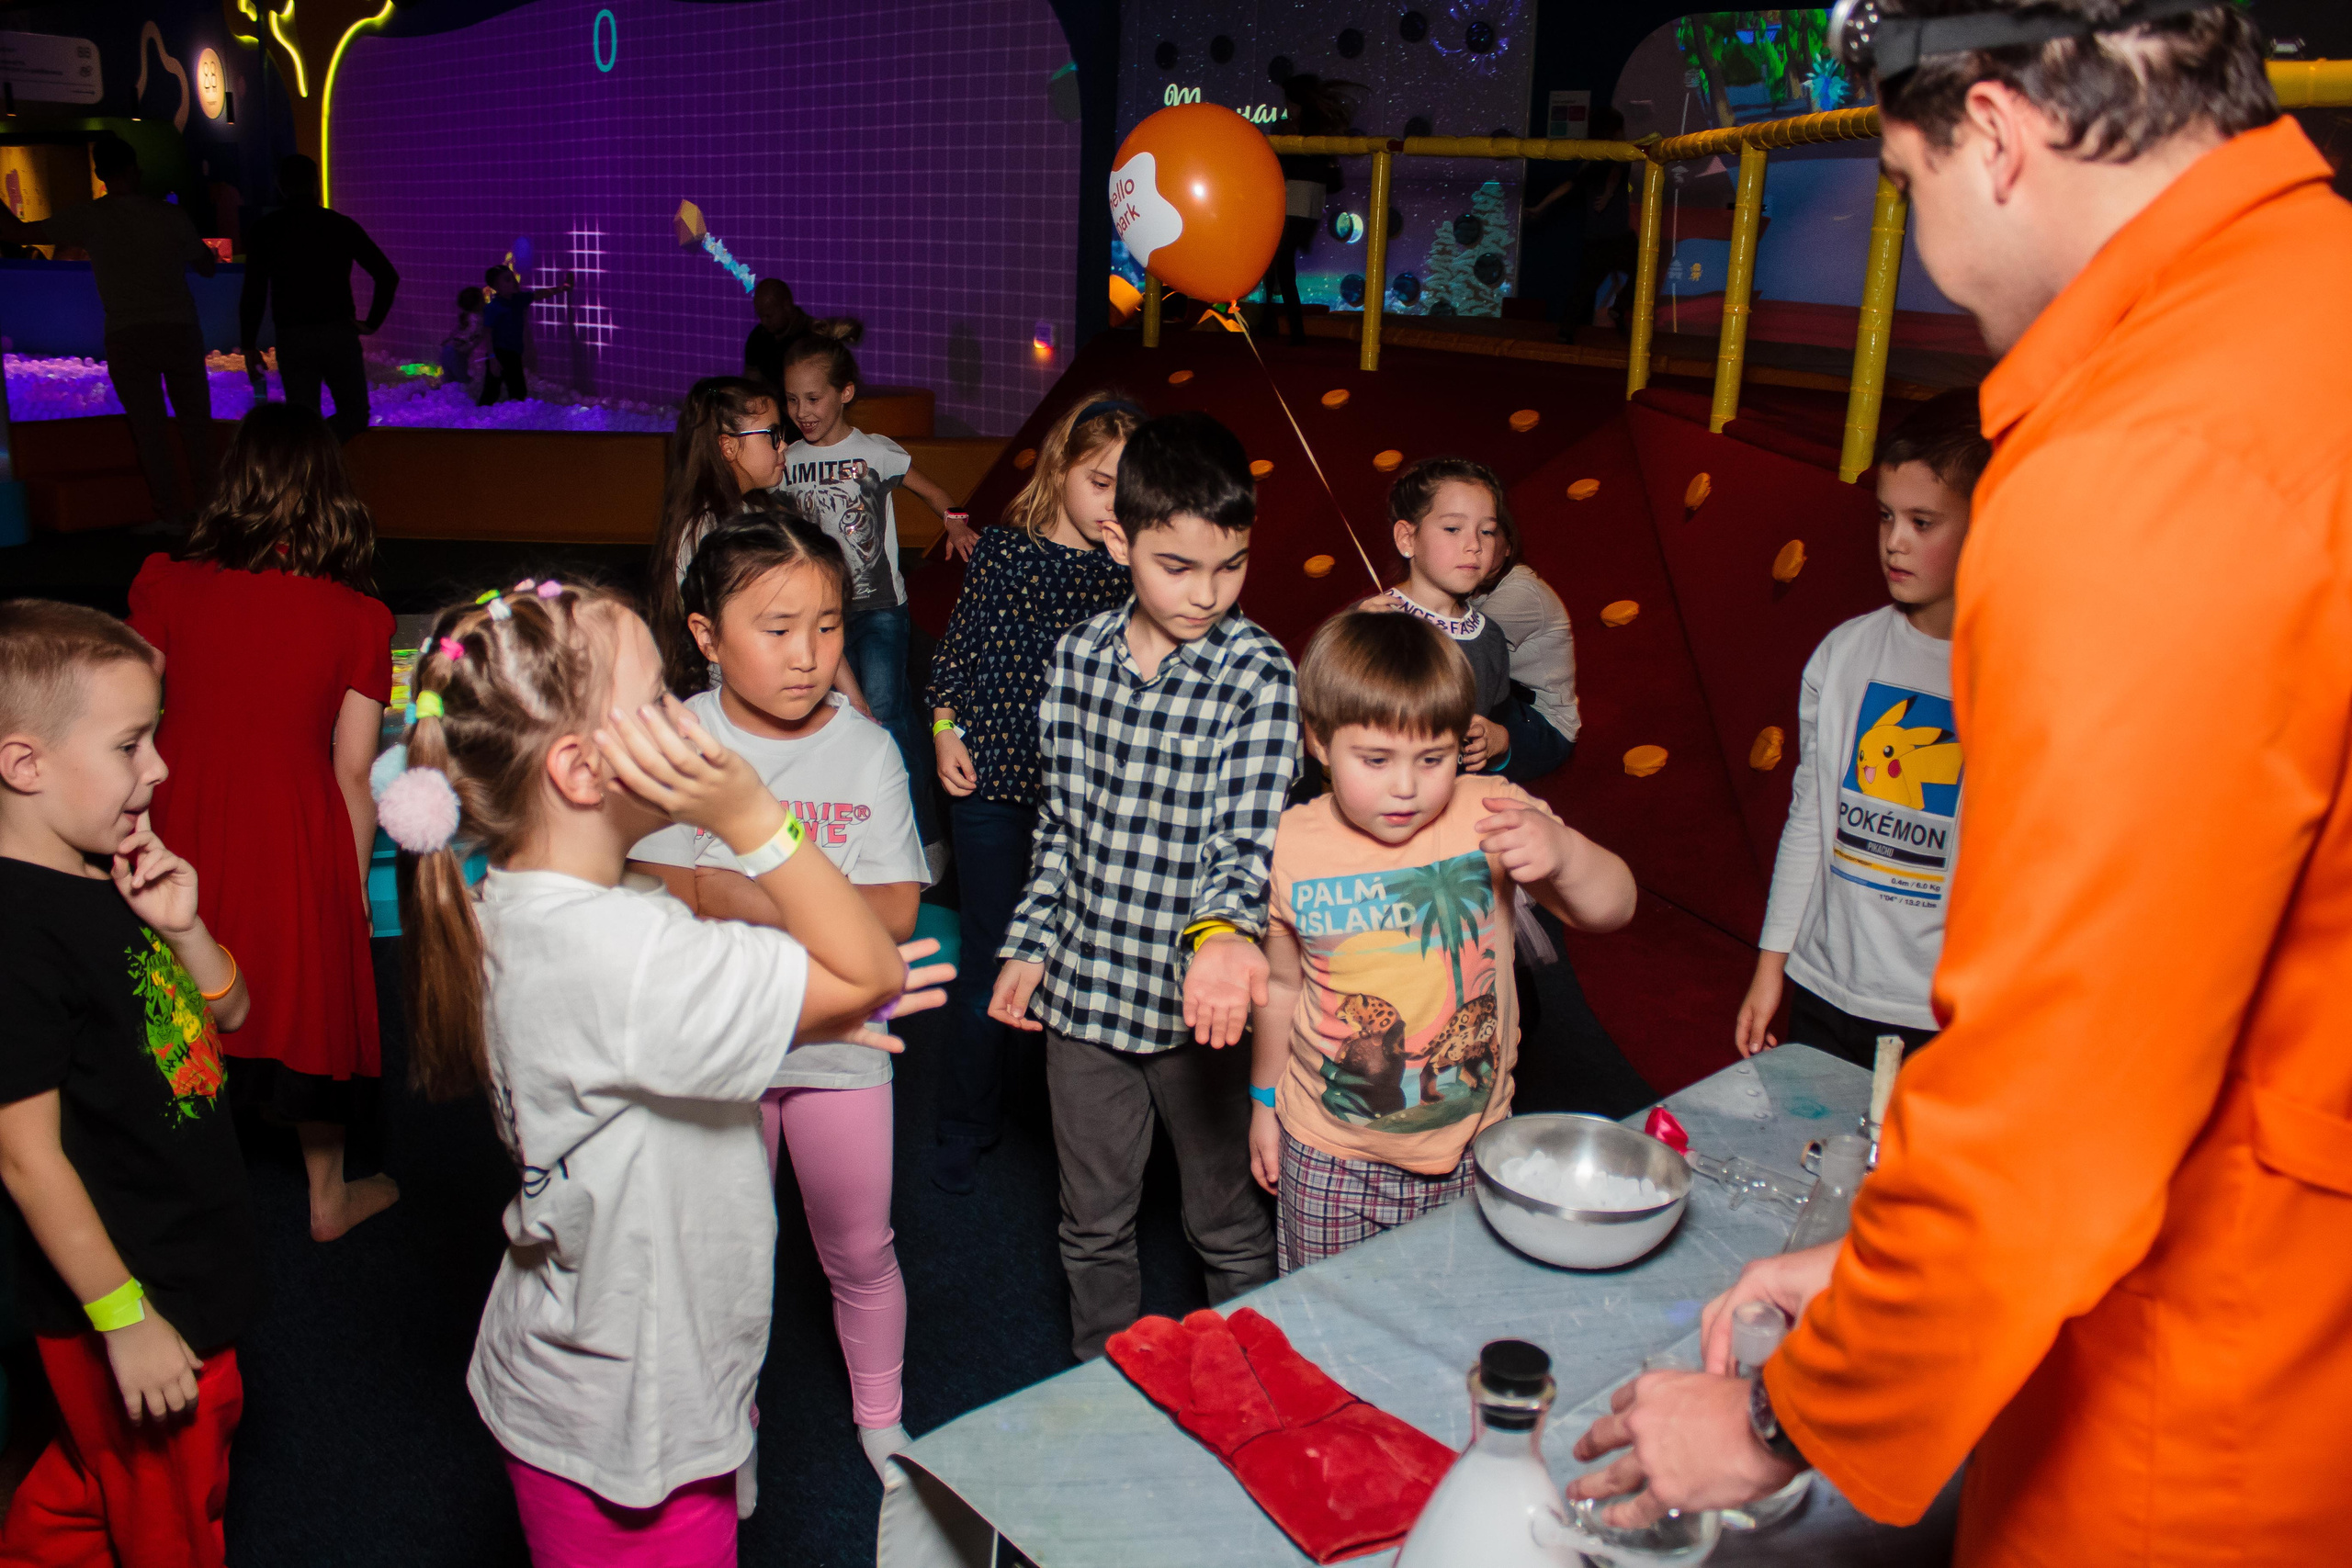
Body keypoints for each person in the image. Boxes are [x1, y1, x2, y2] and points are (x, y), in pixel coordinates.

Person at [1566, 4, 2352, 1558]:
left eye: (1902, 187)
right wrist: (1880, 1263)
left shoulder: (2142, 456)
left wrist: (1791, 1411)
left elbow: (2060, 1090)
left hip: (2207, 1395)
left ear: (1995, 135)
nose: (1918, 250)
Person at [391, 580, 944, 1559]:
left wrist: (773, 1024)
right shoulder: (627, 954)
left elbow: (627, 1054)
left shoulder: (547, 904)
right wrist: (750, 813)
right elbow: (864, 962)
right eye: (656, 704)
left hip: (581, 1370)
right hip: (635, 1420)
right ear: (578, 770)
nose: (690, 728)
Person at [988, 411, 1297, 1360]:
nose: (1208, 594)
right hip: (1085, 1001)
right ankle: (1105, 1400)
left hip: (1195, 1012)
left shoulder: (1259, 675)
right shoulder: (1075, 658)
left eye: (1232, 565)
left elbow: (1243, 846)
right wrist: (1030, 943)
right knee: (1092, 1228)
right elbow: (1060, 829)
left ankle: (1251, 1400)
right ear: (1117, 539)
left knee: (1229, 1229)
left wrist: (1219, 943)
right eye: (1178, 567)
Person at [626, 518, 927, 1485]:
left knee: (861, 1246)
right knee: (723, 1260)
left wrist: (728, 889)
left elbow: (891, 913)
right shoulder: (681, 739)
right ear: (707, 637)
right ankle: (729, 1432)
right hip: (717, 1048)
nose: (809, 658)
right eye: (777, 627)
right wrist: (807, 900)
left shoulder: (866, 750)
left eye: (830, 626)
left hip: (845, 1045)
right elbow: (659, 894)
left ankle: (881, 1418)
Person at [1250, 611, 1634, 1271]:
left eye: (1432, 758)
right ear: (1318, 739)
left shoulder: (1491, 809)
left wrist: (1564, 851)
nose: (1405, 786)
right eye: (1375, 759)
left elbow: (1614, 907)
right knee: (1323, 1335)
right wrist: (1262, 1104)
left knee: (1454, 1329)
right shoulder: (1288, 845)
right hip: (1327, 1152)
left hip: (1476, 1145)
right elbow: (1282, 988)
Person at [0, 600, 256, 1566]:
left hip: (187, 1246)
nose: (159, 769)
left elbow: (227, 1017)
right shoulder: (18, 937)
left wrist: (183, 926)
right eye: (130, 745)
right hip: (131, 1292)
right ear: (25, 766)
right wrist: (125, 1319)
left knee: (85, 1492)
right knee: (172, 1520)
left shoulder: (103, 874)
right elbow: (25, 1162)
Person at [124, 402, 400, 1242]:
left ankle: (176, 1189)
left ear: (234, 481)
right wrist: (349, 890)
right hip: (296, 826)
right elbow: (352, 770)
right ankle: (327, 1193)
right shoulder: (361, 618)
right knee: (307, 988)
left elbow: (129, 717)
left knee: (179, 975)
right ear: (331, 493)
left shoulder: (164, 583)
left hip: (181, 807)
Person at [922, 394, 1140, 1194]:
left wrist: (1130, 579)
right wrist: (945, 726)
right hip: (987, 787)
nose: (1114, 500)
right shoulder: (1005, 553)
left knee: (1070, 963)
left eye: (1129, 483)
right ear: (1060, 469)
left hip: (1080, 801)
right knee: (989, 951)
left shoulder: (1131, 579)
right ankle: (965, 1119)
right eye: (1099, 479)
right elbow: (955, 657)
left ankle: (1063, 1132)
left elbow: (1142, 675)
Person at [1735, 390, 1986, 1070]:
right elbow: (1811, 819)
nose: (1895, 540)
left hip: (1936, 1012)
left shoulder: (2013, 675)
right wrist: (1772, 963)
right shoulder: (1843, 655)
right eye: (1885, 516)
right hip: (1824, 986)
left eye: (1923, 521)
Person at [776, 329, 972, 860]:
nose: (801, 411)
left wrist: (955, 524)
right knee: (837, 713)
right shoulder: (787, 460)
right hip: (818, 612)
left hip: (881, 607)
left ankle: (921, 836)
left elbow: (935, 494)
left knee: (881, 711)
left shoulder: (875, 453)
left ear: (845, 393)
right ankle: (857, 828)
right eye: (791, 400)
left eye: (812, 399)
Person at [0, 136, 218, 531]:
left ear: (99, 176)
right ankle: (211, 511)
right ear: (136, 169)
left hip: (127, 333)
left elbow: (16, 233)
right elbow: (206, 266)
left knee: (149, 429)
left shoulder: (90, 217)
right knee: (196, 426)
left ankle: (169, 514)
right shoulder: (169, 216)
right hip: (179, 328)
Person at [647, 378, 864, 714]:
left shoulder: (755, 513)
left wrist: (855, 702)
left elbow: (810, 615)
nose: (784, 447)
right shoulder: (707, 532)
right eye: (773, 435)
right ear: (729, 447)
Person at [1361, 457, 1518, 776]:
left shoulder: (1490, 636)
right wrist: (1356, 644)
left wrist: (1499, 743)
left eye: (1487, 531)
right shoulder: (1372, 621)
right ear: (1407, 538)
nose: (1474, 545)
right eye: (1452, 528)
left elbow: (1493, 737)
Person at [238, 154, 397, 443]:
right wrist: (371, 323)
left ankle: (307, 468)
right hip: (338, 331)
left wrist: (249, 345)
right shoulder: (339, 225)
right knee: (354, 415)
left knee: (302, 421)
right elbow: (387, 275)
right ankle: (323, 456)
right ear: (315, 183)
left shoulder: (266, 230)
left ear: (280, 185)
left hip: (292, 335)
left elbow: (254, 292)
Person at [1528, 107, 1634, 336]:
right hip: (1611, 238)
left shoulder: (1595, 160)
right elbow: (1614, 172)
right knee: (1639, 271)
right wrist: (1607, 194)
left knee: (1583, 290)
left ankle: (1567, 331)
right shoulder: (1611, 156)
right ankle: (1610, 312)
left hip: (1600, 238)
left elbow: (1570, 185)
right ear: (1616, 132)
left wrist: (1541, 206)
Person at [1473, 562, 1582, 783]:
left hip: (1548, 728)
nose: (1474, 546)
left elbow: (1453, 650)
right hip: (1507, 702)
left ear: (1508, 546)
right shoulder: (1465, 585)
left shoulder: (1521, 593)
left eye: (1487, 532)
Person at [1266, 75, 1353, 345]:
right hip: (1305, 204)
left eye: (1289, 103)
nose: (1287, 109)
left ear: (1298, 103)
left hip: (1296, 202)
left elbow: (1286, 168)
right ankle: (1283, 326)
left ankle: (1288, 328)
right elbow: (1333, 181)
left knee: (1279, 263)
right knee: (1279, 264)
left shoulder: (1296, 130)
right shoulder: (1316, 133)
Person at [476, 264, 572, 406]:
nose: (514, 282)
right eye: (508, 280)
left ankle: (512, 415)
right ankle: (482, 418)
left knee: (515, 389)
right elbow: (488, 334)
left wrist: (562, 288)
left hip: (514, 352)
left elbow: (539, 294)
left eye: (513, 278)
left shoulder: (519, 299)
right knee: (494, 390)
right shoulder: (493, 308)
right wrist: (492, 358)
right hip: (500, 353)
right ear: (497, 286)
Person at [742, 277, 813, 392]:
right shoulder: (758, 336)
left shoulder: (813, 336)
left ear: (786, 306)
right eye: (760, 317)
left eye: (768, 316)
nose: (764, 322)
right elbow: (751, 382)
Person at [438, 286, 487, 388]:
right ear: (477, 304)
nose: (485, 301)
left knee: (449, 381)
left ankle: (441, 397)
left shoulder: (465, 315)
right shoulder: (479, 318)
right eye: (483, 299)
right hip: (457, 352)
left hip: (447, 349)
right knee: (462, 383)